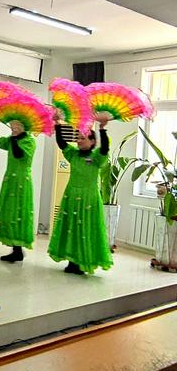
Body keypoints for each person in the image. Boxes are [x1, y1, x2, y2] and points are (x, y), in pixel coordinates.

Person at [48, 113, 113, 275]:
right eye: (78, 137)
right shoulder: (73, 155)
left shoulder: (97, 157)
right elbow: (62, 143)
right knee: (71, 228)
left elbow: (105, 148)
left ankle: (83, 262)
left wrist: (103, 128)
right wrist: (57, 124)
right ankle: (72, 261)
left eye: (82, 138)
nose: (78, 140)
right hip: (71, 196)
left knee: (85, 229)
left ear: (92, 141)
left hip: (88, 199)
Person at [0, 117, 36, 262]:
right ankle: (16, 249)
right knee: (9, 212)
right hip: (10, 179)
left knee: (19, 212)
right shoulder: (11, 139)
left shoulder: (29, 141)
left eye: (16, 124)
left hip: (22, 180)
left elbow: (19, 154)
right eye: (12, 124)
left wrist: (15, 139)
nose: (13, 126)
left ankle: (19, 248)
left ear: (23, 126)